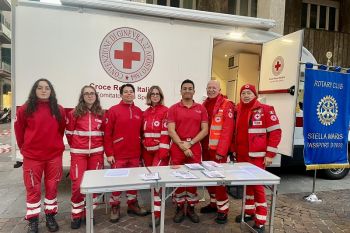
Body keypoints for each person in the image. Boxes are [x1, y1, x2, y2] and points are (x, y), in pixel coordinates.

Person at [14, 79, 66, 233]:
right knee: (33, 188)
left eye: (47, 88)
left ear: (51, 91)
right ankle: (33, 219)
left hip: (53, 156)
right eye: (40, 88)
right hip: (32, 157)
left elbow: (61, 130)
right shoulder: (25, 109)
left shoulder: (59, 109)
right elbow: (19, 131)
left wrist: (54, 145)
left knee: (52, 186)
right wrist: (25, 148)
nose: (44, 91)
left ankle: (50, 216)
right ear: (34, 90)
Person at [232, 84, 281, 233]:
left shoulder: (266, 109)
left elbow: (276, 132)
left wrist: (270, 154)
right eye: (243, 93)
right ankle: (248, 212)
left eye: (249, 93)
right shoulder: (238, 109)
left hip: (257, 157)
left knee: (258, 187)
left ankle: (260, 221)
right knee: (248, 185)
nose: (246, 95)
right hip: (242, 156)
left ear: (255, 95)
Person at [104, 84, 148, 223]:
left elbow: (142, 133)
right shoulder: (113, 110)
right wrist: (109, 153)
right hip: (118, 155)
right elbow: (107, 134)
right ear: (121, 94)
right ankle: (115, 206)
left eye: (131, 92)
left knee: (133, 182)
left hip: (135, 154)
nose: (129, 94)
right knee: (117, 182)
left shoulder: (139, 111)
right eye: (126, 92)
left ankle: (132, 204)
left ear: (135, 94)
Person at [168, 79, 208, 224]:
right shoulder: (173, 108)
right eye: (184, 88)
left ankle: (190, 207)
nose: (187, 90)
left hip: (195, 145)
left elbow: (205, 130)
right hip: (178, 147)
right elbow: (171, 130)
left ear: (194, 91)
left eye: (190, 88)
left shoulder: (201, 108)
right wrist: (183, 146)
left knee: (193, 178)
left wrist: (190, 143)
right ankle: (179, 207)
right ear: (181, 91)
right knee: (178, 178)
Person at [65, 85, 105, 229]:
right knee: (77, 185)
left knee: (93, 185)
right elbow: (69, 134)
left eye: (92, 93)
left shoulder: (101, 113)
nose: (89, 96)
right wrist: (78, 147)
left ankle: (89, 214)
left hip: (96, 154)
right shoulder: (74, 113)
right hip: (79, 154)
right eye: (86, 93)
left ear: (96, 96)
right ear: (82, 96)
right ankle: (76, 214)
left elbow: (104, 134)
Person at [200, 80, 234, 224]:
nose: (211, 90)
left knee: (219, 181)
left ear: (220, 89)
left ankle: (223, 210)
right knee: (208, 178)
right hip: (205, 149)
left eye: (214, 88)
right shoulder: (204, 104)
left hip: (217, 151)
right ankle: (214, 203)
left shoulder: (227, 104)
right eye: (209, 88)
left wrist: (222, 151)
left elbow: (228, 130)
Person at [142, 85, 170, 227]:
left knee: (156, 182)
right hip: (147, 151)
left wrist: (163, 151)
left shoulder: (166, 111)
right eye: (152, 94)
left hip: (160, 151)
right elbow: (142, 133)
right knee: (151, 182)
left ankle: (158, 215)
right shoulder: (145, 112)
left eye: (157, 94)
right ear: (149, 96)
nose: (155, 96)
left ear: (161, 96)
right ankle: (155, 208)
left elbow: (166, 133)